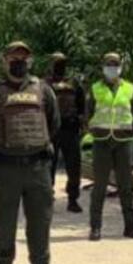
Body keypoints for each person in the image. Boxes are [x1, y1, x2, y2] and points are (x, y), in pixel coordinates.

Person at [0, 40, 60, 264]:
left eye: (23, 58)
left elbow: (53, 123)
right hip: (6, 168)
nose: (19, 62)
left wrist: (39, 145)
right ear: (4, 61)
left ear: (30, 61)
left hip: (37, 167)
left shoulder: (43, 90)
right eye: (14, 58)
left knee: (40, 221)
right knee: (4, 223)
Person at [84, 52, 133, 241]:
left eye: (115, 65)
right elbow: (88, 112)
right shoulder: (95, 88)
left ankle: (130, 227)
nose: (112, 68)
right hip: (101, 141)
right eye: (108, 65)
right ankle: (95, 228)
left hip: (124, 141)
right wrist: (91, 129)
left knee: (125, 186)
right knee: (99, 186)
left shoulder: (130, 88)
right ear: (103, 67)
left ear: (120, 67)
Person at [47, 52, 84, 213]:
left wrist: (81, 122)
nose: (59, 66)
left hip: (70, 129)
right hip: (51, 131)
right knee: (49, 166)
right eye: (56, 63)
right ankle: (47, 196)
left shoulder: (74, 83)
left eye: (62, 63)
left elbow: (82, 104)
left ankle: (73, 199)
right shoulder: (44, 84)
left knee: (74, 167)